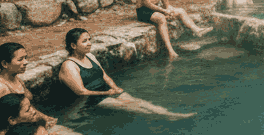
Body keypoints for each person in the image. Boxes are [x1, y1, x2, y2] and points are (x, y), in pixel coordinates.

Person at [58, 28, 192, 119]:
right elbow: (81, 92)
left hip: (106, 91)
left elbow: (105, 76)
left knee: (138, 101)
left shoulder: (90, 57)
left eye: (89, 39)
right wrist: (107, 93)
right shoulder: (69, 65)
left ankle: (169, 114)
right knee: (129, 106)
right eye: (84, 41)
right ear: (73, 46)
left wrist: (115, 88)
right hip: (91, 100)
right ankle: (166, 117)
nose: (89, 44)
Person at [0, 42, 82, 135]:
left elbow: (26, 106)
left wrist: (45, 118)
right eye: (20, 59)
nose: (26, 62)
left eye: (25, 58)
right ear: (5, 64)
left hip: (30, 126)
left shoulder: (16, 78)